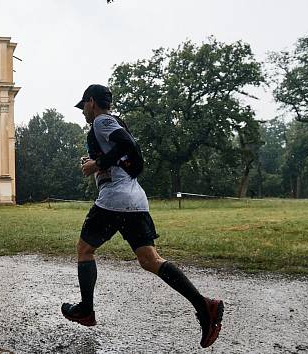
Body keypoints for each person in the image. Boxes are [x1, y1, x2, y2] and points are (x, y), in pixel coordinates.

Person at [61, 84, 224, 348]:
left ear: (91, 102)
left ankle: (86, 310)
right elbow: (127, 154)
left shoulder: (101, 121)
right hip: (135, 200)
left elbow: (129, 145)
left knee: (84, 249)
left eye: (84, 107)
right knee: (150, 260)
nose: (83, 113)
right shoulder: (112, 124)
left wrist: (97, 164)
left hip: (114, 200)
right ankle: (205, 306)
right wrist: (97, 161)